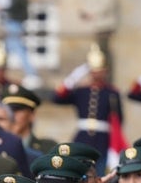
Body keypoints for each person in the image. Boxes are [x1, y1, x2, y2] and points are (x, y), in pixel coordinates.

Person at [53, 45, 125, 173]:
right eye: (94, 70)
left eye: (100, 70)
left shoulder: (112, 93)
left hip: (102, 140)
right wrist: (73, 78)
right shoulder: (81, 91)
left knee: (99, 174)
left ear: (105, 71)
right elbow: (57, 98)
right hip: (82, 137)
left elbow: (119, 120)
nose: (97, 74)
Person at [0, 0, 38, 86]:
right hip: (13, 22)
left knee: (18, 49)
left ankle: (32, 74)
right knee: (6, 49)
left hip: (15, 23)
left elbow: (15, 7)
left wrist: (2, 8)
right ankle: (0, 73)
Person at [74, 0, 116, 71]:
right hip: (101, 23)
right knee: (102, 52)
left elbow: (105, 3)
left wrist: (91, 13)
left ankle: (105, 80)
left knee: (102, 54)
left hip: (105, 24)